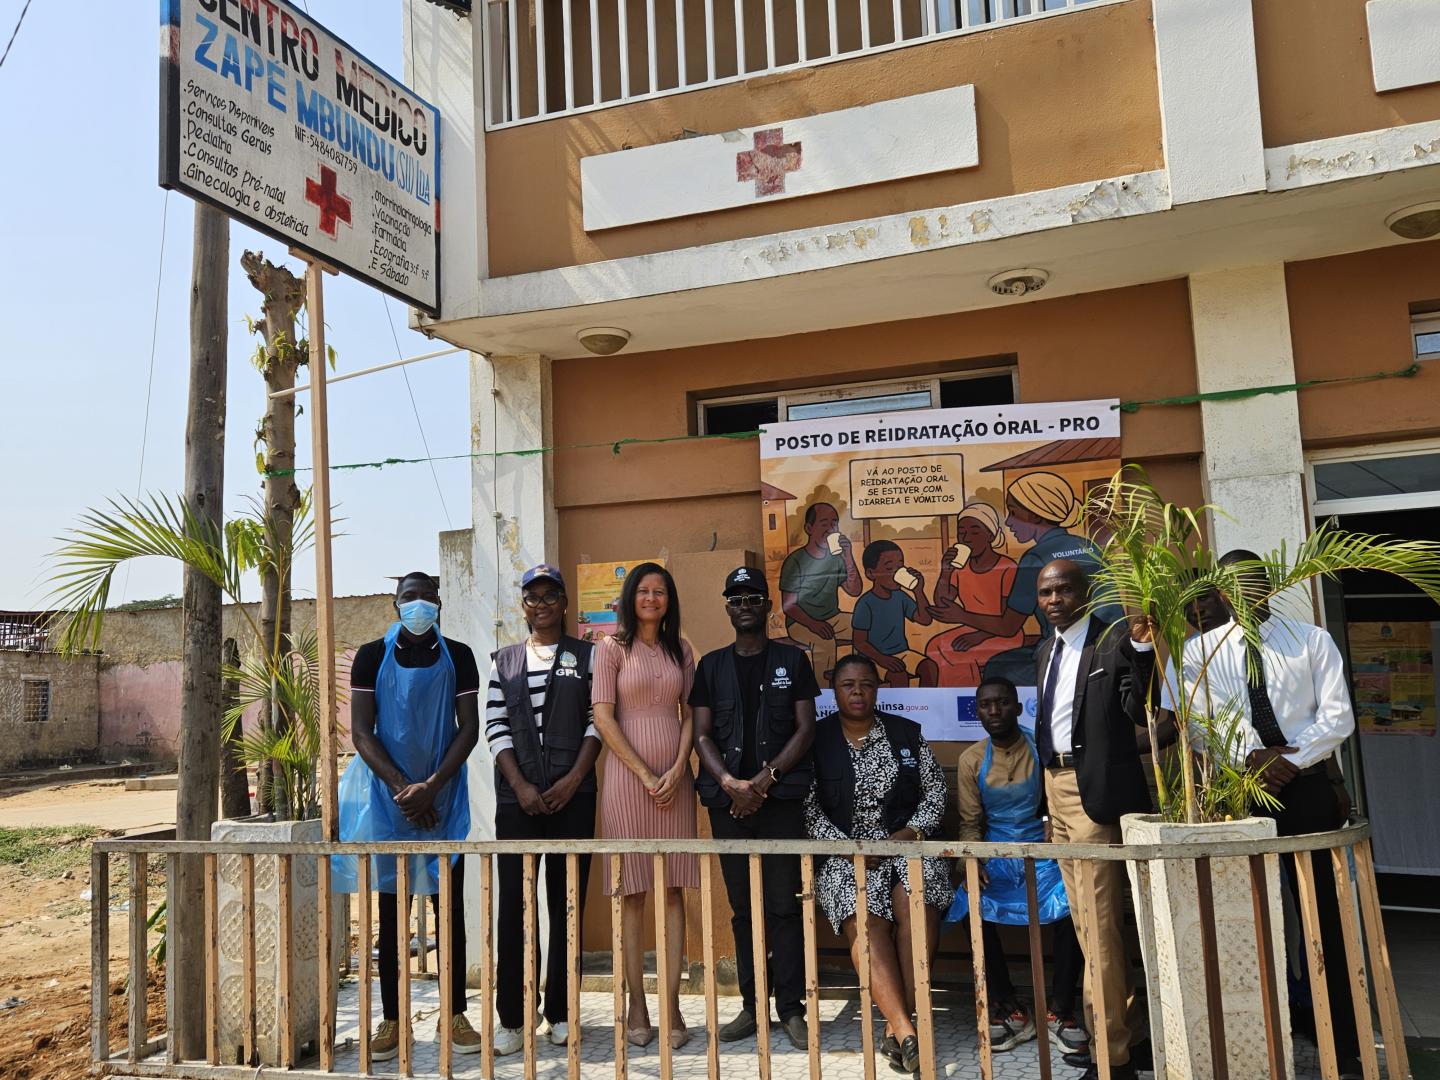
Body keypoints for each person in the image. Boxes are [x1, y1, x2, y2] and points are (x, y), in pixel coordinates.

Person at [1176, 549, 1362, 1078]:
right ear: (1222, 591)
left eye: (1258, 579)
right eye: (1238, 583)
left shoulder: (1311, 641)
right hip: (1240, 794)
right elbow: (1197, 724)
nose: (1250, 589)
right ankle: (1262, 1031)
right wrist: (1250, 761)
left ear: (1270, 584)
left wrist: (1291, 760)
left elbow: (1337, 716)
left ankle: (1340, 1039)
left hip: (1307, 791)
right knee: (1248, 914)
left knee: (1321, 911)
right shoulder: (1200, 652)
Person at [335, 572, 482, 1060]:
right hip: (389, 800)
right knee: (392, 914)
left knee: (451, 909)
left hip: (444, 797)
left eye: (427, 596)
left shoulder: (458, 655)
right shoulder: (371, 656)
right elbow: (361, 731)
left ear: (439, 603)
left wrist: (433, 787)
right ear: (396, 605)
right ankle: (394, 1020)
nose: (419, 603)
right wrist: (404, 790)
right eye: (409, 597)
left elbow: (469, 729)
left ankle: (455, 1013)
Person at [1031, 559, 1155, 1080]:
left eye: (1063, 590)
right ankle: (1125, 1031)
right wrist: (1045, 802)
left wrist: (1144, 649)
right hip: (1053, 791)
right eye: (1045, 592)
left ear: (1084, 593)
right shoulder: (1044, 650)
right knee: (1086, 924)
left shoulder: (1112, 641)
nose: (1054, 600)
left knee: (1099, 926)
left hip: (1095, 793)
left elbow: (1140, 710)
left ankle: (1112, 1056)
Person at [691, 566, 820, 1049]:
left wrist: (763, 782)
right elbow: (702, 733)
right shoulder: (711, 666)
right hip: (727, 803)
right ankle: (752, 1006)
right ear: (727, 606)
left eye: (753, 598)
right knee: (744, 910)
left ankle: (791, 1008)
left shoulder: (793, 660)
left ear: (768, 606)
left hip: (781, 800)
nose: (744, 605)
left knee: (785, 908)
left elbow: (805, 730)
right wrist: (729, 783)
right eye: (736, 598)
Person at [805, 655, 952, 1076]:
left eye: (866, 684)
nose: (857, 692)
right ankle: (908, 1030)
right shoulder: (816, 740)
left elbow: (935, 794)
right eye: (848, 684)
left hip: (907, 848)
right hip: (845, 857)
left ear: (877, 688)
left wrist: (908, 836)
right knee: (863, 914)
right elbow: (810, 810)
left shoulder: (906, 734)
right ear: (834, 689)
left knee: (915, 904)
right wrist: (852, 848)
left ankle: (895, 1026)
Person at [485, 565, 601, 1055]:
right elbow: (494, 727)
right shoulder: (504, 661)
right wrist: (521, 785)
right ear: (523, 606)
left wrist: (573, 780)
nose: (541, 603)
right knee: (514, 905)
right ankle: (514, 1017)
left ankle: (561, 1011)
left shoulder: (589, 656)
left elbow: (599, 723)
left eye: (550, 595)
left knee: (566, 905)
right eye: (532, 597)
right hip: (518, 802)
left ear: (565, 602)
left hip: (574, 800)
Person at [947, 676, 1085, 1055]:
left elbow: (1054, 806)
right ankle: (1008, 1005)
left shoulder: (1041, 749)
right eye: (986, 705)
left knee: (1072, 900)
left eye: (1003, 703)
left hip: (1042, 850)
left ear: (1018, 707)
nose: (995, 711)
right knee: (970, 902)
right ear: (977, 711)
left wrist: (1051, 834)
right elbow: (970, 824)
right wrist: (970, 861)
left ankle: (1061, 1009)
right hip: (995, 853)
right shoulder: (971, 759)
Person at [592, 562, 698, 1050]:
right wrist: (645, 773)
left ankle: (672, 1003)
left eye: (661, 592)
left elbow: (692, 714)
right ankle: (637, 1003)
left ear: (669, 600)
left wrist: (678, 768)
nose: (652, 598)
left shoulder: (683, 649)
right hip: (627, 782)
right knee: (632, 891)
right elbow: (603, 716)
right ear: (630, 598)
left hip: (677, 785)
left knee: (674, 890)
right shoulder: (610, 649)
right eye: (644, 591)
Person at [945, 471, 1120, 685]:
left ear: (1035, 515)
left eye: (1013, 512)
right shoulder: (1089, 545)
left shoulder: (1035, 557)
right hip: (1110, 650)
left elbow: (1007, 626)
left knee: (996, 667)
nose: (1008, 522)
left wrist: (959, 615)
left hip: (1067, 653)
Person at [927, 502, 1022, 686]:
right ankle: (950, 701)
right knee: (934, 647)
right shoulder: (960, 567)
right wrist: (945, 571)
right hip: (971, 627)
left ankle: (970, 702)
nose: (967, 537)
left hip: (1001, 633)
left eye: (974, 531)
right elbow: (942, 603)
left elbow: (1006, 622)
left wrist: (978, 635)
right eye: (962, 532)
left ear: (990, 535)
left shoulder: (1006, 567)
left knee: (958, 654)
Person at [779, 501, 862, 682]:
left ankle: (858, 682)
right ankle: (824, 696)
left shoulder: (836, 558)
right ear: (809, 528)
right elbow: (789, 606)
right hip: (800, 622)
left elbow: (854, 590)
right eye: (824, 524)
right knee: (824, 641)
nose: (830, 529)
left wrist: (848, 555)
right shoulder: (796, 560)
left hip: (832, 617)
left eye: (834, 524)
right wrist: (813, 624)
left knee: (865, 628)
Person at [852, 540, 938, 687]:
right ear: (871, 573)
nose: (897, 572)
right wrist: (882, 659)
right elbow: (860, 642)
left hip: (901, 653)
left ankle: (923, 706)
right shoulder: (865, 603)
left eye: (900, 566)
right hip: (872, 658)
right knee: (899, 676)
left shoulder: (900, 596)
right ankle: (897, 710)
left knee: (929, 667)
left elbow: (925, 619)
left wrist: (918, 591)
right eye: (889, 567)